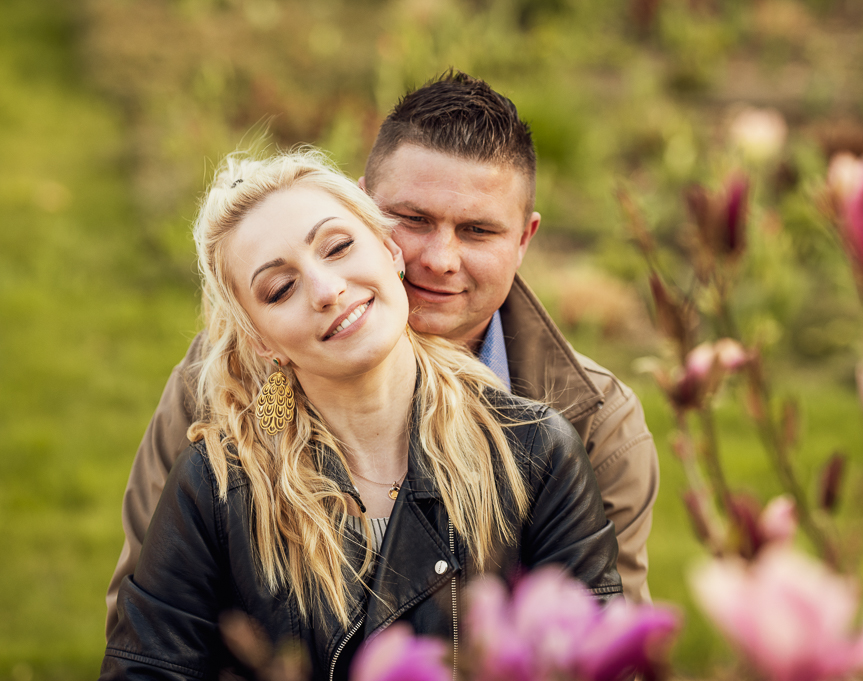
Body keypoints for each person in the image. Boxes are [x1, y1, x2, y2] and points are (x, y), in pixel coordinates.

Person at [105, 71, 658, 638]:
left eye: (477, 231)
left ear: (523, 240)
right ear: (367, 212)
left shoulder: (592, 422)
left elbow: (600, 648)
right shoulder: (220, 382)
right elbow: (148, 623)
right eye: (414, 219)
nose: (440, 259)